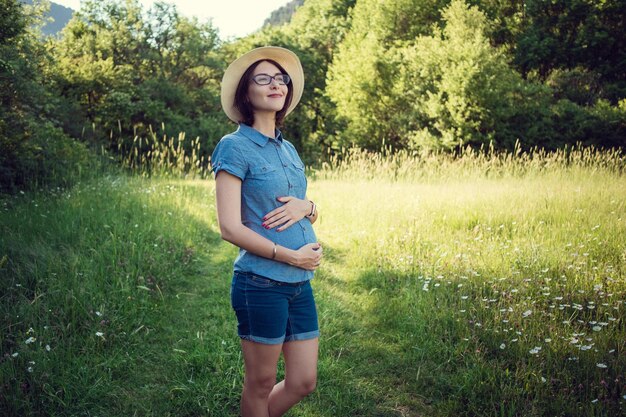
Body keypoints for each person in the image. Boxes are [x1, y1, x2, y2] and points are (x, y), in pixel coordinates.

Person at [211, 46, 323, 417]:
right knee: (259, 383)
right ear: (246, 92)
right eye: (264, 78)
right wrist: (290, 255)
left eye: (281, 79)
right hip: (260, 283)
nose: (276, 84)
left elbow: (298, 208)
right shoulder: (234, 146)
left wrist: (309, 207)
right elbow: (229, 226)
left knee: (303, 381)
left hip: (299, 284)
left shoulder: (288, 148)